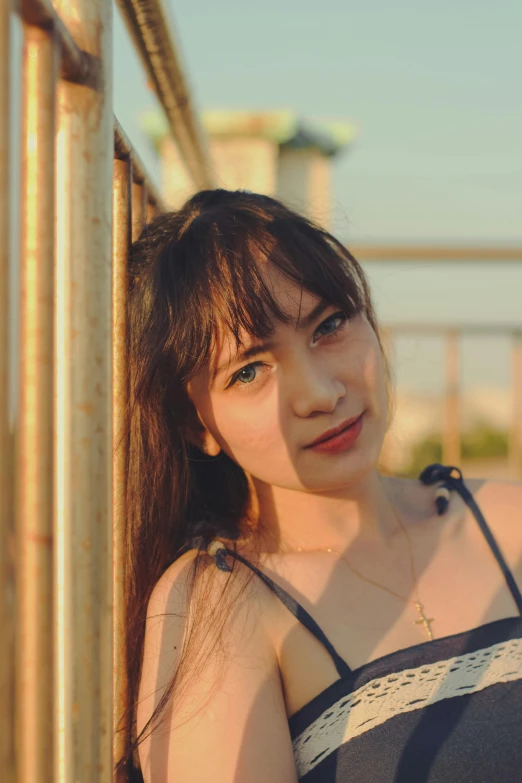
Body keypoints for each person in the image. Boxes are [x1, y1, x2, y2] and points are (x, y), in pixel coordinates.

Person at [115, 189, 522, 783]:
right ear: (193, 424)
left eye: (329, 325)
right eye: (249, 370)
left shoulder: (504, 519)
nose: (320, 394)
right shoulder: (220, 607)